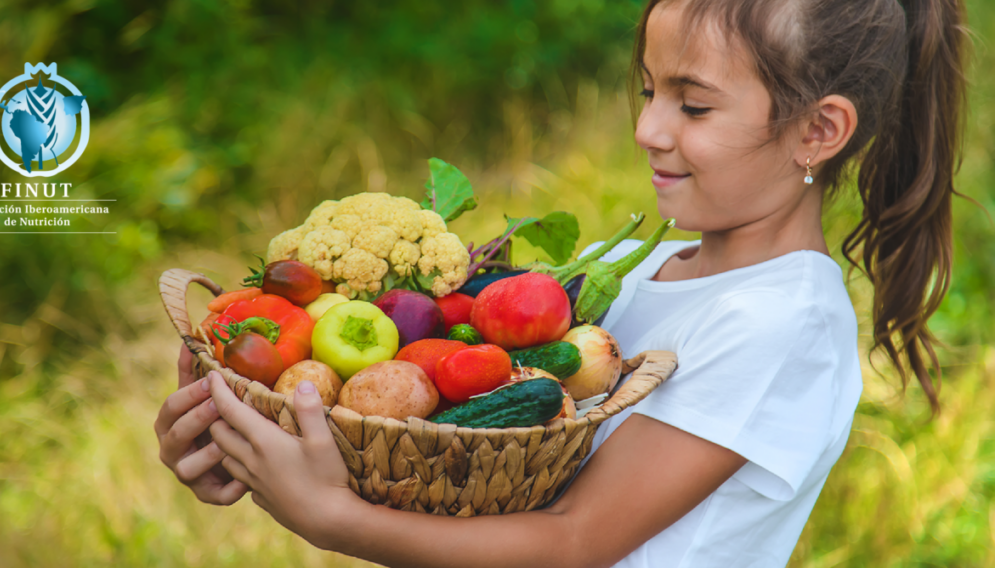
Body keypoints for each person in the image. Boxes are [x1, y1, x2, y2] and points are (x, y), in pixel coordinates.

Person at [153, 0, 968, 565]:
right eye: (651, 92)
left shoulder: (780, 319)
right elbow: (489, 481)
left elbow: (575, 542)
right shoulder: (648, 269)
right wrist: (263, 450)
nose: (648, 128)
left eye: (695, 108)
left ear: (818, 131)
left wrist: (334, 518)